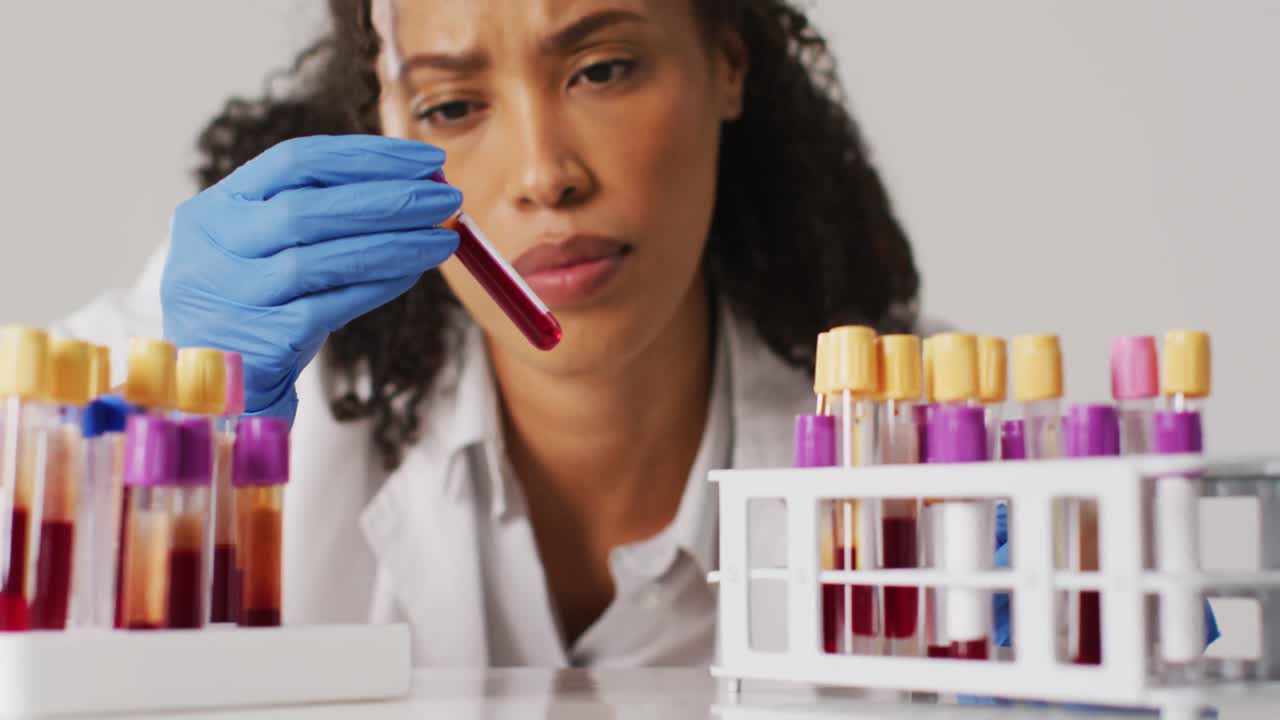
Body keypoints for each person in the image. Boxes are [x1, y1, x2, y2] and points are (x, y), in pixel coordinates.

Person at [61, 0, 933, 666]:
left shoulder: (931, 450)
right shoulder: (233, 358)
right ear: (386, 120)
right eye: (450, 106)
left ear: (726, 62)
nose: (542, 174)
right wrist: (170, 463)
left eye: (603, 69)